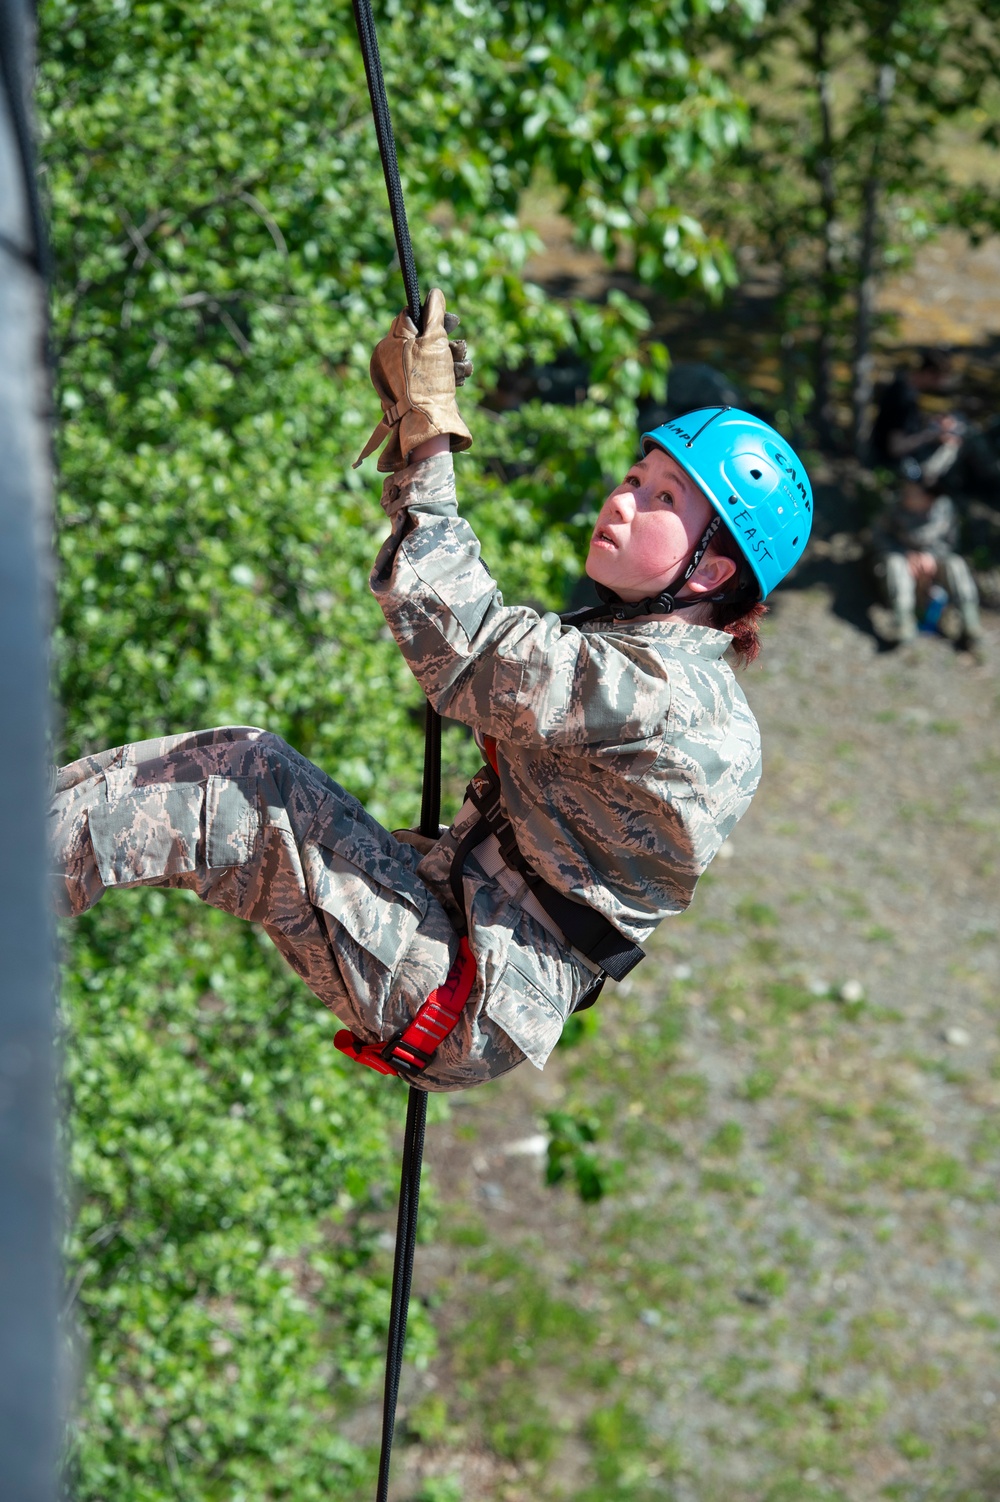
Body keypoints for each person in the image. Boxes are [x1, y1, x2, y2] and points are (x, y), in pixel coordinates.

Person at [50, 291, 813, 1092]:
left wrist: (430, 444)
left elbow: (475, 651)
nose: (621, 500)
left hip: (464, 984)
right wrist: (427, 434)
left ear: (713, 571)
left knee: (236, 791)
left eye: (663, 500)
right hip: (456, 929)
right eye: (634, 476)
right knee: (234, 762)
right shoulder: (649, 658)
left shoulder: (673, 694)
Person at [872, 456, 982, 652]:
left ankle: (970, 623)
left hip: (935, 561)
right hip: (902, 559)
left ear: (927, 495)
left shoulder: (944, 508)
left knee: (956, 565)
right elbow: (879, 536)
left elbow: (950, 542)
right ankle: (903, 622)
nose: (907, 493)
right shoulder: (894, 506)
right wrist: (906, 553)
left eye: (913, 490)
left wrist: (930, 556)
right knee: (894, 564)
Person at [869, 349, 962, 475]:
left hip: (889, 455)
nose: (942, 383)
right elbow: (896, 448)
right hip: (890, 463)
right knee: (951, 447)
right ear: (929, 373)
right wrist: (932, 435)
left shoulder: (903, 386)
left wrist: (932, 421)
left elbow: (905, 423)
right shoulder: (903, 398)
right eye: (940, 378)